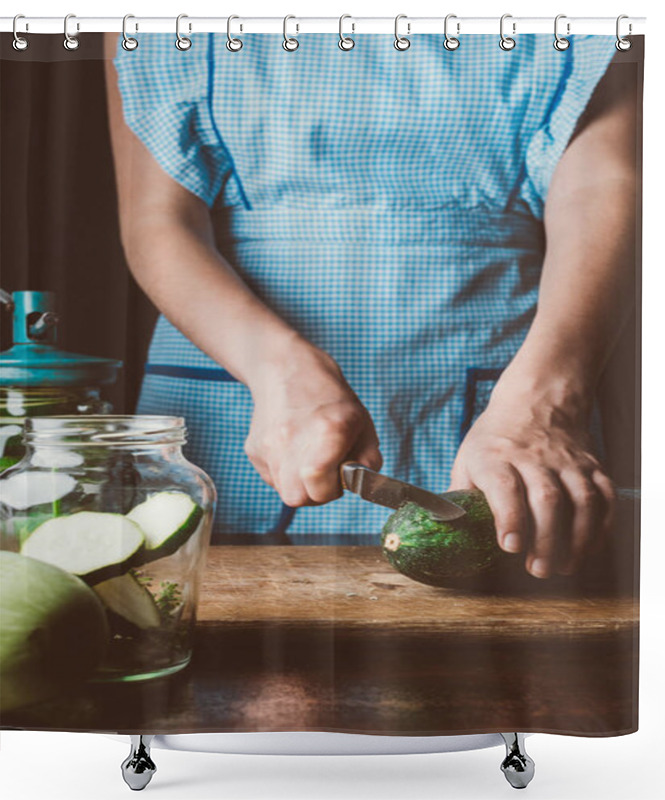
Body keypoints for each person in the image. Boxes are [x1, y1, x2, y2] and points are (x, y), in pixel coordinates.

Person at [104, 31, 637, 579]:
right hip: (236, 371)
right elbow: (156, 221)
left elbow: (601, 184)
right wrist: (277, 370)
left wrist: (545, 401)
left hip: (513, 384)